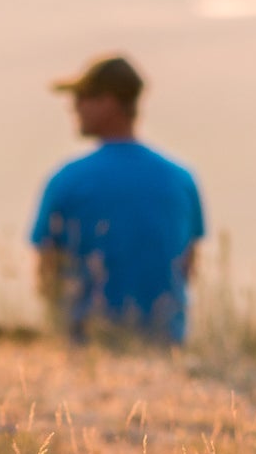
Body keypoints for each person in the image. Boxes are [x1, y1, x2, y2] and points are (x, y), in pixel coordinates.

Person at [31, 54, 206, 344]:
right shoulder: (182, 178)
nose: (74, 106)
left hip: (86, 343)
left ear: (109, 103)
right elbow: (187, 268)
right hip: (167, 342)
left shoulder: (67, 179)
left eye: (83, 96)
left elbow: (47, 277)